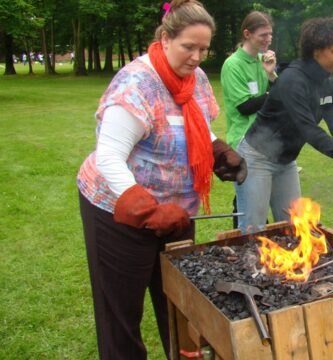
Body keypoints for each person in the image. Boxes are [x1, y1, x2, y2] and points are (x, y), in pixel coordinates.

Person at [76, 1, 246, 358]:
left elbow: (199, 125)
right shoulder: (137, 85)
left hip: (177, 214)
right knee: (122, 309)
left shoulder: (195, 78)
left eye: (204, 48)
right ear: (166, 38)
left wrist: (219, 151)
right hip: (118, 213)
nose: (198, 56)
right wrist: (150, 210)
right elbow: (109, 156)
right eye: (189, 47)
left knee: (181, 303)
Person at [234, 17, 333, 233]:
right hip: (256, 158)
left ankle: (290, 268)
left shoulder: (327, 84)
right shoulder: (291, 80)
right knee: (254, 229)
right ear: (316, 50)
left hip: (286, 161)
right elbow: (309, 131)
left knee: (295, 227)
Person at [221, 11, 277, 228]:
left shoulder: (264, 61)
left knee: (255, 203)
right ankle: (244, 246)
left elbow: (278, 95)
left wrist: (271, 75)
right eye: (263, 35)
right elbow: (245, 107)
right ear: (247, 34)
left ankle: (249, 243)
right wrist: (271, 96)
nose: (268, 39)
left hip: (265, 142)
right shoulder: (232, 65)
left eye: (270, 35)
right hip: (244, 142)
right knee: (249, 209)